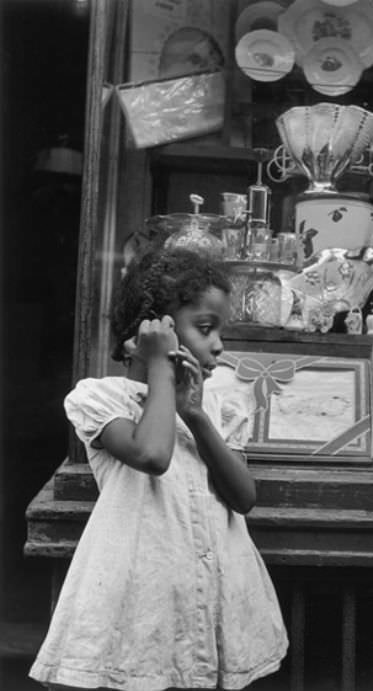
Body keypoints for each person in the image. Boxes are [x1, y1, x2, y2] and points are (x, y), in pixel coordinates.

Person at [30, 247, 288, 690]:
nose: (218, 344)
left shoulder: (220, 403)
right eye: (205, 329)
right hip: (143, 599)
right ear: (148, 334)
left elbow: (243, 497)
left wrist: (198, 416)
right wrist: (160, 369)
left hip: (216, 589)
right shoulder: (101, 397)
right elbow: (153, 456)